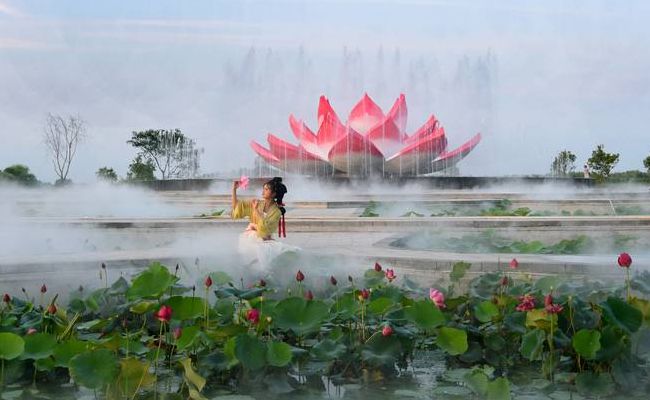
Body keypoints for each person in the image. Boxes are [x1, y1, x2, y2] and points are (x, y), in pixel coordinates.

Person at [231, 177, 295, 269]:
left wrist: (256, 210)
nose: (263, 191)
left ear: (273, 194)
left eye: (266, 189)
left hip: (265, 240)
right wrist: (234, 190)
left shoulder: (276, 211)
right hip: (250, 238)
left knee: (269, 259)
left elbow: (265, 230)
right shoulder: (257, 203)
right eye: (263, 189)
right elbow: (237, 208)